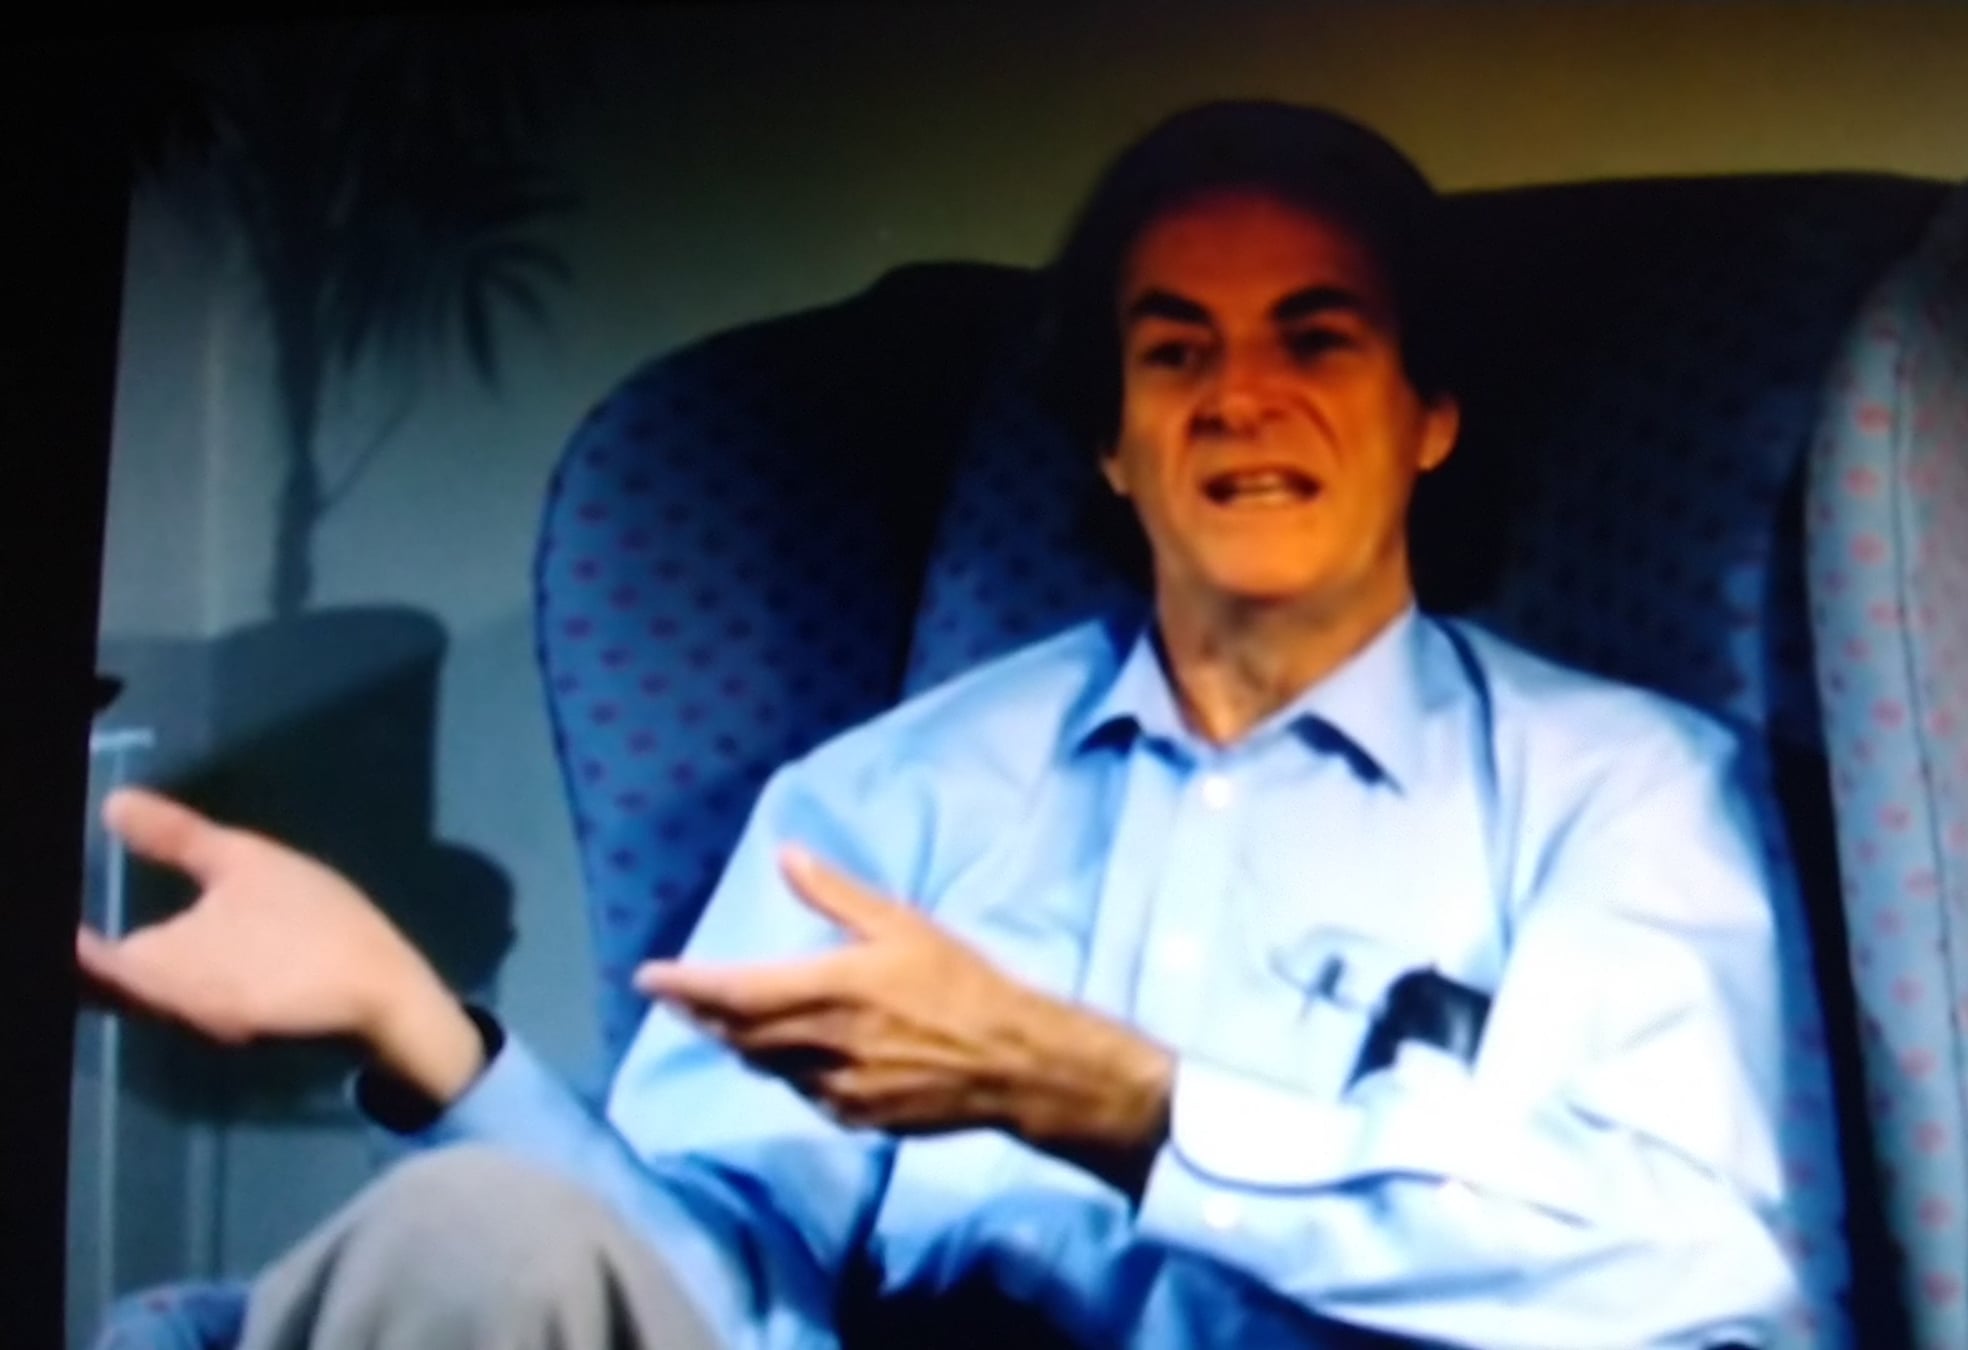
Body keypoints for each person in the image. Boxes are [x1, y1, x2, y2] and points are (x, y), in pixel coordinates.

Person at [78, 102, 1806, 1349]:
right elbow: (701, 1284)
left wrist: (1114, 1099)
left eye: (1318, 338)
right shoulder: (891, 795)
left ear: (1430, 413)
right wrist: (415, 1026)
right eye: (1174, 352)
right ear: (1113, 440)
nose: (1242, 397)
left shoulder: (1623, 792)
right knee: (468, 1220)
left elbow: (1701, 1272)